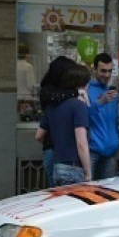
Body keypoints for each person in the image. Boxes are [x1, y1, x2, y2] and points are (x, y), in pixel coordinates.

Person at [35, 63, 92, 186]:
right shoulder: (78, 106)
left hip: (57, 165)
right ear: (84, 85)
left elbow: (39, 135)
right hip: (74, 165)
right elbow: (81, 143)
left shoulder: (52, 106)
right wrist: (88, 173)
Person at [38, 56, 79, 185]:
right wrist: (76, 93)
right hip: (53, 146)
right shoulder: (49, 92)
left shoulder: (66, 93)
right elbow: (54, 98)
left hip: (62, 147)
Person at [86, 52, 119, 179]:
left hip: (111, 151)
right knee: (87, 191)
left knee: (107, 193)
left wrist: (117, 140)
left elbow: (116, 120)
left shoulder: (112, 93)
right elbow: (82, 117)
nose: (106, 75)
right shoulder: (86, 90)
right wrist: (99, 103)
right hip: (92, 151)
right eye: (103, 71)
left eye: (109, 71)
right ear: (94, 69)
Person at [16, 43, 37, 119]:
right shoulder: (28, 67)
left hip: (16, 97)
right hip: (26, 98)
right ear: (26, 54)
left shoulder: (14, 65)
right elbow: (31, 85)